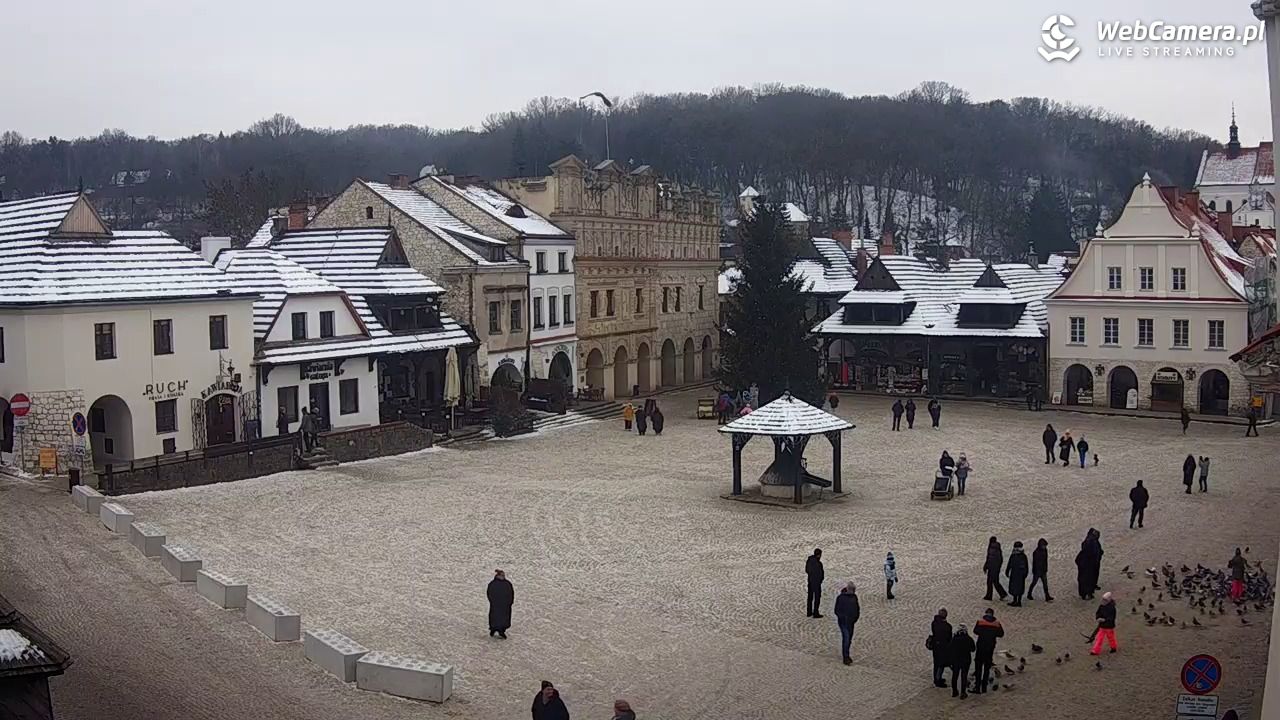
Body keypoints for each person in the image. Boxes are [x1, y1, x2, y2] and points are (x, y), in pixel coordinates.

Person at [972, 608, 1004, 694]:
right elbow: (1001, 634)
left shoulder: (980, 622)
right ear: (993, 614)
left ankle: (977, 687)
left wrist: (983, 633)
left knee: (978, 667)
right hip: (990, 647)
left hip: (981, 646)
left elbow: (975, 631)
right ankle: (984, 687)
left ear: (986, 614)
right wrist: (992, 634)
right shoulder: (997, 623)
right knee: (987, 667)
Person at [834, 581, 861, 665]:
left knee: (849, 639)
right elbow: (836, 610)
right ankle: (846, 656)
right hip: (843, 622)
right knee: (846, 638)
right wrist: (841, 617)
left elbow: (857, 609)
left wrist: (855, 618)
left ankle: (846, 653)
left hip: (851, 621)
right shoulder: (841, 598)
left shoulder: (854, 598)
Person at [1075, 528, 1103, 600]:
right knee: (1086, 579)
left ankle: (1086, 592)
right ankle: (1085, 593)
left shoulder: (1092, 541)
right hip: (1087, 564)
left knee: (1087, 579)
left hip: (1089, 564)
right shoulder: (1091, 542)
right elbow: (1092, 552)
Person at [949, 624, 975, 699]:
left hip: (956, 659)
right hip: (966, 659)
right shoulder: (969, 639)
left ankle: (954, 691)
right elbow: (973, 649)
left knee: (955, 675)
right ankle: (963, 693)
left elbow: (950, 648)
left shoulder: (954, 639)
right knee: (964, 676)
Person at [486, 569, 514, 639]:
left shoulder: (507, 584)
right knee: (495, 616)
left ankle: (501, 630)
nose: (503, 576)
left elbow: (511, 593)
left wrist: (510, 602)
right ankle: (493, 628)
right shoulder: (493, 584)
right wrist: (492, 601)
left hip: (505, 605)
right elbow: (489, 593)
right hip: (496, 604)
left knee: (503, 617)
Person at [930, 609, 952, 688]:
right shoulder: (947, 626)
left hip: (935, 646)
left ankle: (936, 678)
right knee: (941, 663)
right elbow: (949, 637)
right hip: (943, 647)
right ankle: (938, 680)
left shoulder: (934, 623)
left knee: (936, 663)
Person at [982, 537, 1008, 601]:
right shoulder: (997, 548)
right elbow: (999, 559)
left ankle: (991, 595)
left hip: (992, 568)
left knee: (991, 582)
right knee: (994, 582)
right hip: (995, 568)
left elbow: (989, 559)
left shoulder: (991, 548)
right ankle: (1001, 594)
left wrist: (986, 566)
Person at [1005, 541, 1029, 607]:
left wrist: (1007, 571)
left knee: (1016, 587)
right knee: (1018, 588)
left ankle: (1017, 601)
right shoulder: (1022, 556)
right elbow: (1026, 566)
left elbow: (1009, 564)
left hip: (1016, 574)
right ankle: (1017, 601)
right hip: (1019, 574)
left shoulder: (1014, 555)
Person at [805, 548, 825, 618]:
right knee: (817, 597)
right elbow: (820, 574)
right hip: (816, 583)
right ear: (819, 555)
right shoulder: (818, 564)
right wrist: (820, 580)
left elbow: (807, 570)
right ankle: (815, 612)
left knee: (810, 597)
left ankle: (809, 611)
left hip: (810, 581)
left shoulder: (809, 561)